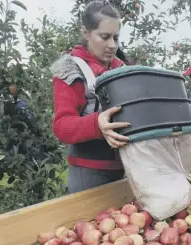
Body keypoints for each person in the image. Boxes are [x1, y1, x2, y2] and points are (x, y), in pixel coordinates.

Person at [50, 1, 130, 194]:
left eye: (116, 38)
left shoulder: (123, 70)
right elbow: (62, 126)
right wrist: (96, 124)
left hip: (126, 167)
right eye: (104, 37)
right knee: (89, 223)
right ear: (86, 33)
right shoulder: (71, 70)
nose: (112, 45)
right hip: (89, 173)